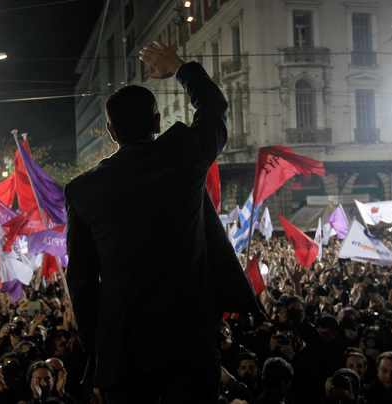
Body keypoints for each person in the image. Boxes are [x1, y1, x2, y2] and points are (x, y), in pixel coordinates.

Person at [65, 39, 264, 403]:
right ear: (158, 121)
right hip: (189, 343)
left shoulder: (81, 191)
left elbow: (81, 281)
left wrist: (98, 348)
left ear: (110, 132)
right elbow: (214, 107)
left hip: (123, 352)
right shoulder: (185, 154)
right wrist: (180, 68)